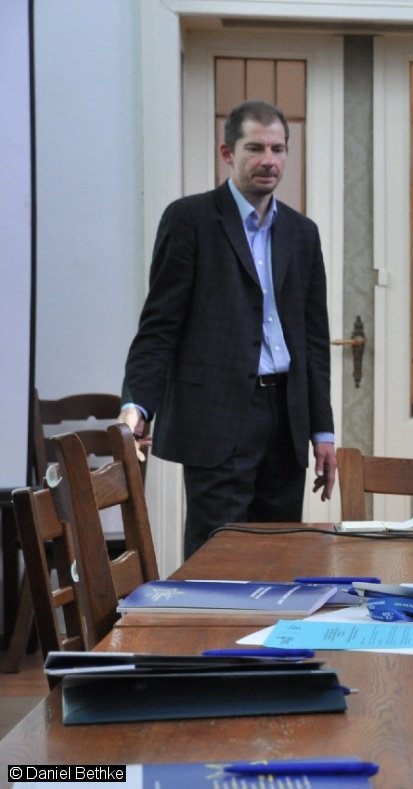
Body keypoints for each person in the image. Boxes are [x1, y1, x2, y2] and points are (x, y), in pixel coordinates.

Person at [120, 100, 337, 558]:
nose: (268, 160)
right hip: (217, 418)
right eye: (255, 148)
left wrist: (323, 431)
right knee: (216, 560)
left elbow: (314, 341)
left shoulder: (303, 233)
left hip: (286, 417)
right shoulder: (190, 220)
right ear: (227, 153)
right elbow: (160, 326)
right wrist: (137, 405)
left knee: (279, 557)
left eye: (278, 149)